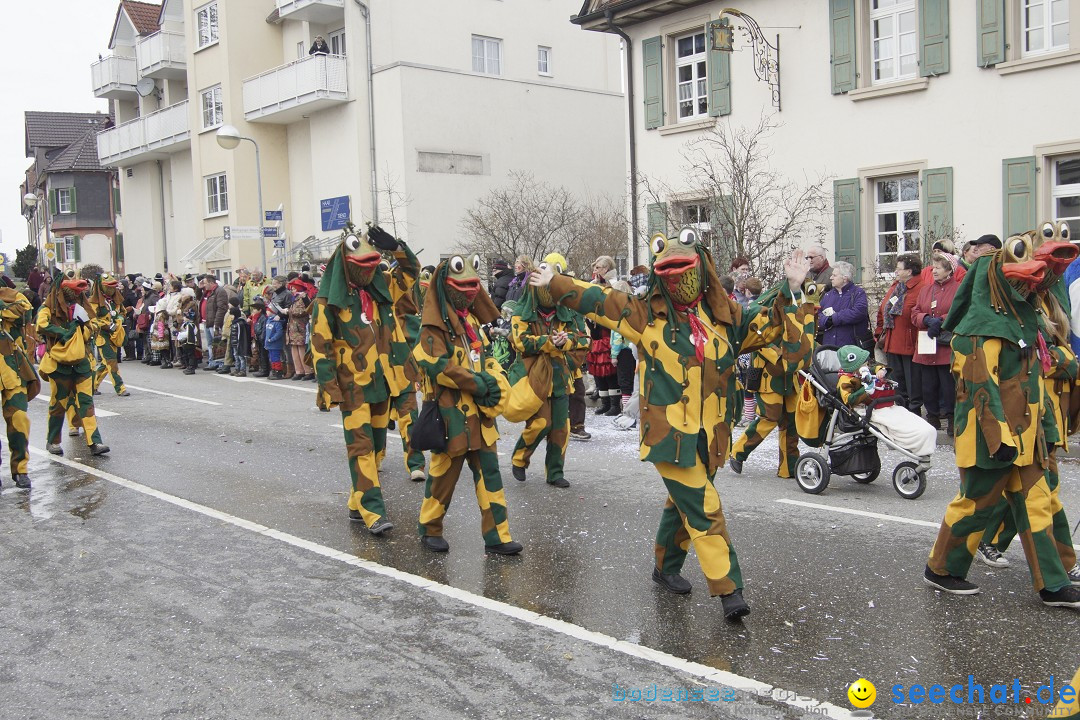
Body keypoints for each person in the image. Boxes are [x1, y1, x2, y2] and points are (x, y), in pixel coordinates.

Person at [530, 228, 814, 619]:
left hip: (711, 434)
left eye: (685, 269)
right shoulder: (645, 315)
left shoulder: (725, 319)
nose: (678, 278)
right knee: (703, 506)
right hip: (669, 436)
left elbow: (766, 315)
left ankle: (665, 568)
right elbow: (601, 300)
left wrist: (792, 285)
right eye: (670, 271)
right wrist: (556, 282)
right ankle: (729, 588)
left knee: (682, 504)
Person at [924, 237, 1080, 608]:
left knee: (1041, 502)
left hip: (1027, 437)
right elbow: (981, 391)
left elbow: (1031, 384)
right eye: (1021, 283)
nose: (1028, 287)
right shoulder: (977, 331)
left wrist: (1045, 429)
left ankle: (1054, 582)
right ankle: (941, 569)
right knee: (977, 505)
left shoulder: (1024, 325)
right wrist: (999, 439)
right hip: (989, 439)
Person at [310, 224, 418, 537]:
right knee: (361, 448)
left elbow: (410, 273)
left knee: (378, 447)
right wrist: (330, 390)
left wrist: (396, 247)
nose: (369, 271)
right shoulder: (327, 303)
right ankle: (373, 510)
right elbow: (320, 348)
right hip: (353, 388)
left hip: (384, 382)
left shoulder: (381, 288)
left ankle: (357, 503)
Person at [412, 253, 519, 555]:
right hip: (449, 417)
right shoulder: (432, 328)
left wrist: (496, 378)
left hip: (481, 416)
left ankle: (498, 536)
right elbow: (435, 365)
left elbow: (483, 357)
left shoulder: (471, 321)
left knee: (490, 476)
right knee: (443, 477)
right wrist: (477, 383)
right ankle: (429, 527)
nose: (470, 290)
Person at [507, 253, 589, 489]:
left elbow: (585, 340)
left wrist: (567, 342)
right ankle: (519, 459)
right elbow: (520, 342)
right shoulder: (522, 312)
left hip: (561, 377)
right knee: (541, 423)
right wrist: (550, 342)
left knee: (561, 429)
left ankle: (555, 472)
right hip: (535, 378)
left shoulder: (569, 313)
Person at [36, 271, 110, 457]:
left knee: (86, 402)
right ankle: (53, 441)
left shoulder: (81, 308)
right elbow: (41, 326)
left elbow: (92, 326)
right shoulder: (47, 308)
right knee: (58, 404)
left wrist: (82, 329)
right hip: (59, 364)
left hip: (81, 363)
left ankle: (95, 442)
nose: (75, 297)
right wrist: (62, 331)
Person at [834, 345, 937, 458]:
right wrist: (865, 390)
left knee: (904, 416)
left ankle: (924, 436)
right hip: (865, 409)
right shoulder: (845, 380)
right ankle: (915, 439)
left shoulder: (863, 370)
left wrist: (881, 371)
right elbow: (849, 399)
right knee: (895, 422)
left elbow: (876, 367)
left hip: (881, 403)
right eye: (863, 363)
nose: (866, 365)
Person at [911, 255, 960, 434]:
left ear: (949, 270)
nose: (934, 270)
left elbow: (960, 311)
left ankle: (952, 419)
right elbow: (914, 311)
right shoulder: (926, 290)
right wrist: (925, 319)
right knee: (928, 386)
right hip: (927, 345)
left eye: (939, 267)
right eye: (933, 267)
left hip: (946, 346)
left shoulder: (958, 289)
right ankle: (932, 417)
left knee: (948, 386)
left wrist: (941, 321)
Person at [0, 280, 38, 489]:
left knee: (19, 418)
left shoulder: (13, 295)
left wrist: (2, 309)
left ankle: (20, 469)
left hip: (12, 368)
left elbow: (25, 313)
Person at [874, 254, 923, 414]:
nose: (895, 270)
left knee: (913, 382)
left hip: (910, 343)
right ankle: (901, 410)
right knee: (897, 381)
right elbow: (883, 309)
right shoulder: (896, 287)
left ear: (909, 271)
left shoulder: (921, 287)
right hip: (892, 341)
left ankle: (914, 412)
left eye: (899, 268)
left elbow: (916, 314)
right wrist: (880, 331)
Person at [586, 256, 620, 416]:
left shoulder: (614, 285)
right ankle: (605, 402)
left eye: (598, 268)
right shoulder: (593, 285)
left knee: (609, 368)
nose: (595, 271)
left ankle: (614, 404)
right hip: (594, 328)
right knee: (597, 367)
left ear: (606, 269)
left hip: (608, 328)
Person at [817, 261, 870, 349]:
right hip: (829, 347)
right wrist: (826, 321)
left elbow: (858, 312)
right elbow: (817, 316)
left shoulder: (858, 293)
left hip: (851, 348)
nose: (831, 278)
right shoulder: (827, 295)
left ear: (845, 278)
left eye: (834, 275)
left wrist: (834, 318)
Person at [286, 279, 312, 380]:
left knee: (302, 349)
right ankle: (299, 371)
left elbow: (307, 310)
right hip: (293, 326)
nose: (292, 290)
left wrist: (290, 311)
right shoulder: (295, 298)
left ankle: (308, 371)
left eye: (293, 288)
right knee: (294, 349)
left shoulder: (304, 297)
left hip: (300, 326)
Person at [228, 304, 250, 377]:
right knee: (236, 356)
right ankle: (237, 369)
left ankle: (242, 370)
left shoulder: (239, 323)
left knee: (241, 357)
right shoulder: (234, 323)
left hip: (239, 343)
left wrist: (239, 343)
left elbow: (240, 335)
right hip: (234, 343)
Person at [178, 306, 200, 374]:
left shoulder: (190, 325)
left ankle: (191, 367)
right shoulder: (186, 324)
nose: (183, 318)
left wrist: (180, 335)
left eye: (184, 316)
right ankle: (188, 366)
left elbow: (188, 334)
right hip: (185, 342)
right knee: (186, 355)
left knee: (191, 355)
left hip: (189, 342)